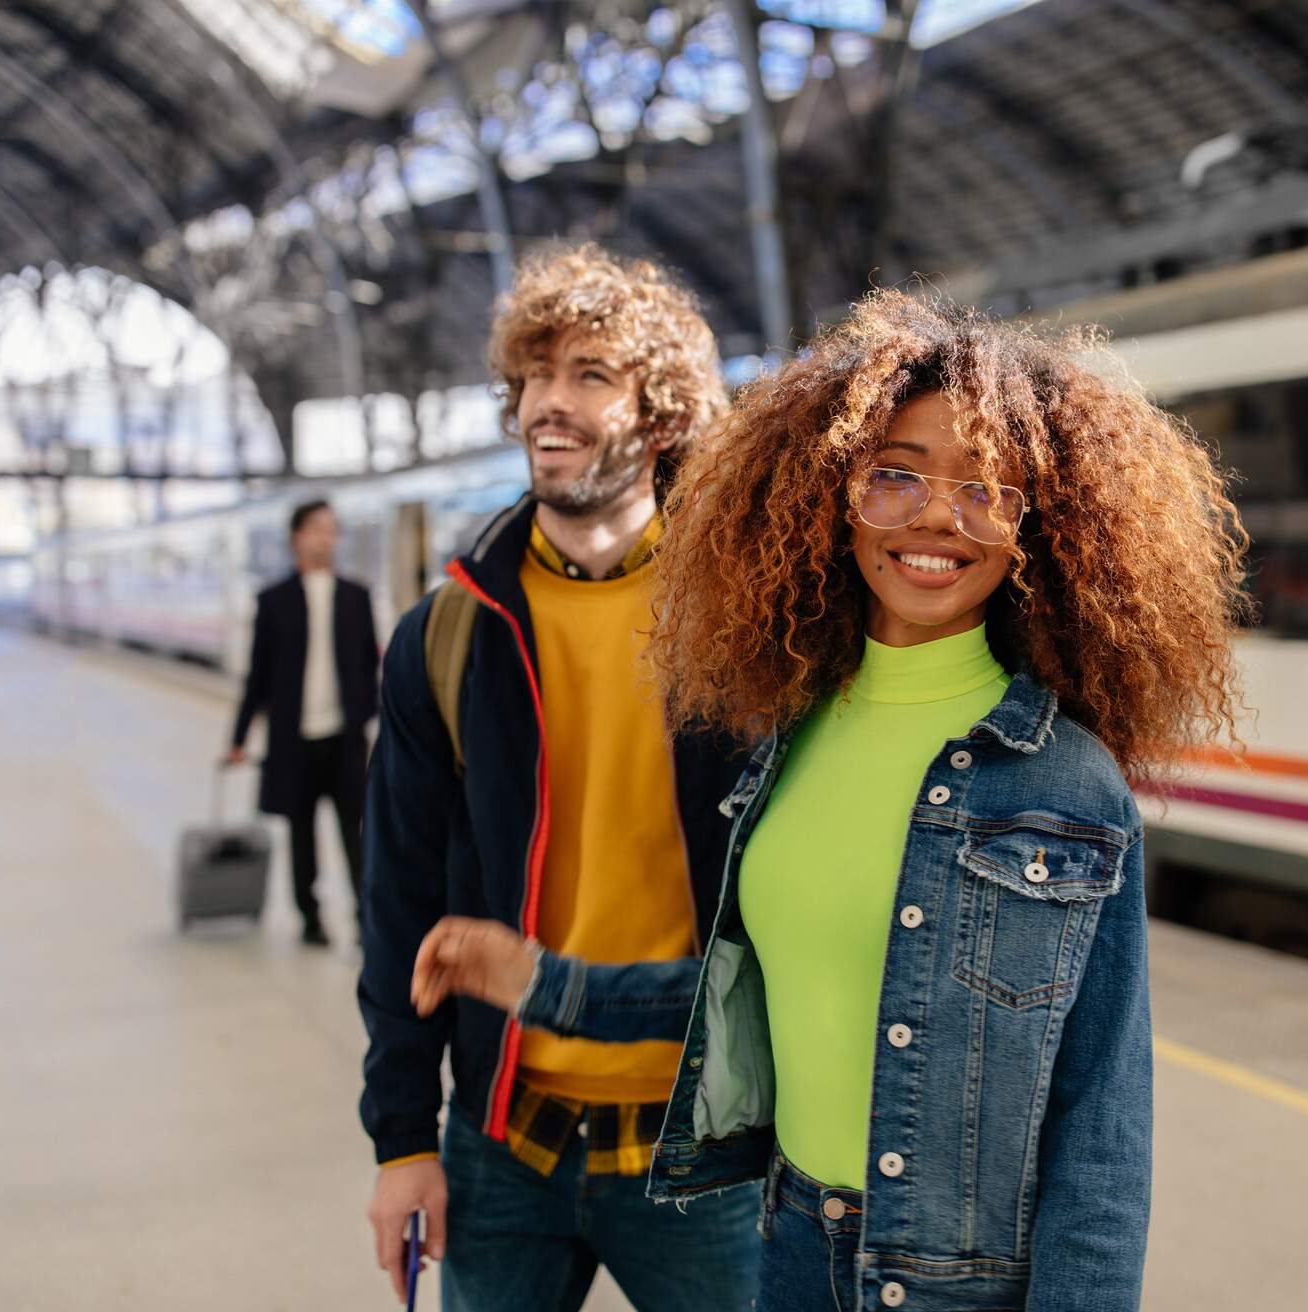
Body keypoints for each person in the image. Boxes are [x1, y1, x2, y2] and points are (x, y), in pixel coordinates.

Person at [410, 292, 1249, 1312]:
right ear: (830, 492)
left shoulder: (1068, 786)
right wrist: (547, 984)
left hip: (954, 1285)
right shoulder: (779, 740)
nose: (938, 515)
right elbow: (758, 1000)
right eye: (895, 474)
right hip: (787, 1248)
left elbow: (1102, 1132)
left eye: (990, 488)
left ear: (1047, 527)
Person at [357, 246, 758, 1312]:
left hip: (706, 1137)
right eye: (533, 376)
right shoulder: (449, 633)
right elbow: (399, 900)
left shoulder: (744, 629)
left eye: (589, 374)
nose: (548, 401)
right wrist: (401, 1135)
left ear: (662, 416)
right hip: (505, 1140)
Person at [228, 499, 378, 947]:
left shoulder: (356, 596)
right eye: (317, 528)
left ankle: (365, 919)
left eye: (333, 529)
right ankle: (310, 919)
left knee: (357, 834)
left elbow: (371, 664)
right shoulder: (274, 601)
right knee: (301, 835)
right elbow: (259, 675)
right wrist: (239, 738)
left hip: (345, 739)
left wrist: (366, 716)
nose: (326, 537)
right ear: (297, 538)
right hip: (293, 741)